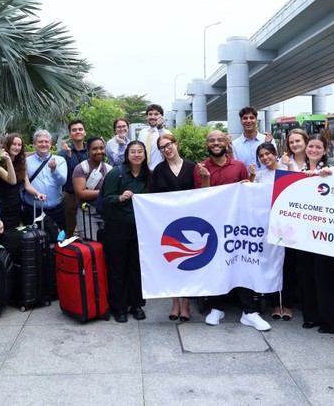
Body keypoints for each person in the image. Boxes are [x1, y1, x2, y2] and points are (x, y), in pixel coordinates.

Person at [194, 129, 271, 331]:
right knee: (218, 264)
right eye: (211, 140)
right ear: (207, 144)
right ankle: (217, 307)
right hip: (214, 225)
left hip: (237, 226)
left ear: (226, 143)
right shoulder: (201, 168)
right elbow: (201, 198)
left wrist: (250, 180)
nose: (216, 143)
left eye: (220, 140)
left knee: (241, 262)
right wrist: (206, 178)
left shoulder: (238, 165)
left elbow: (248, 193)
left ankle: (249, 312)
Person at [100, 140, 151, 323]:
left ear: (145, 155)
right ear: (127, 155)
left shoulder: (148, 176)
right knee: (117, 267)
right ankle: (119, 307)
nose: (137, 155)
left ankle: (137, 304)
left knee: (136, 267)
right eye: (133, 152)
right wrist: (120, 198)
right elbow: (106, 199)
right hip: (117, 226)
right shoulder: (117, 173)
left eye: (140, 151)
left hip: (140, 228)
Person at [296, 134, 334, 334]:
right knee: (306, 275)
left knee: (326, 277)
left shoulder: (331, 171)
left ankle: (329, 320)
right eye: (311, 146)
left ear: (325, 151)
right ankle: (311, 316)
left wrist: (323, 173)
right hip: (303, 233)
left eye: (318, 147)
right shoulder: (299, 171)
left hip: (325, 234)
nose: (313, 150)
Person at [151, 132, 197, 322]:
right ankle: (175, 303)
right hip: (168, 224)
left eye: (168, 145)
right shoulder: (159, 170)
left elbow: (200, 192)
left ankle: (186, 305)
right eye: (162, 148)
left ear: (176, 144)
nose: (166, 149)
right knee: (172, 262)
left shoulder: (193, 167)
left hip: (191, 222)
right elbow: (154, 198)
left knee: (189, 263)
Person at [254, 142, 295, 321]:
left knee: (288, 267)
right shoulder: (259, 175)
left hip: (287, 227)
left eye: (268, 154)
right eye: (261, 156)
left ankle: (287, 305)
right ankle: (275, 305)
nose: (265, 158)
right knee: (270, 265)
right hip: (267, 226)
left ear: (274, 153)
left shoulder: (287, 172)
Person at [0, 133, 44, 234]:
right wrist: (8, 160)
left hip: (16, 207)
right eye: (14, 144)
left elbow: (27, 185)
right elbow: (12, 180)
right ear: (8, 145)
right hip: (3, 207)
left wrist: (37, 193)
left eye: (19, 145)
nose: (16, 147)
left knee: (14, 235)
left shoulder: (21, 163)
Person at [22, 130, 67, 231]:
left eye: (46, 142)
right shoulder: (26, 162)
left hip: (56, 211)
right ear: (34, 144)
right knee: (34, 242)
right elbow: (25, 184)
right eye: (40, 142)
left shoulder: (60, 160)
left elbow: (62, 182)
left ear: (51, 144)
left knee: (58, 241)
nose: (44, 144)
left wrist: (54, 170)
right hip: (33, 211)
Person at [72, 137, 110, 241]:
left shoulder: (108, 168)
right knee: (91, 245)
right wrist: (103, 192)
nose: (99, 151)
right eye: (95, 149)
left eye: (102, 148)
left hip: (105, 213)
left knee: (108, 246)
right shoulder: (81, 168)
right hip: (87, 213)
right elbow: (81, 193)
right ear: (88, 150)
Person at [60, 119, 89, 237]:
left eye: (80, 129)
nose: (77, 132)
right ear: (70, 134)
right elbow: (67, 171)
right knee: (68, 227)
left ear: (85, 132)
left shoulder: (91, 150)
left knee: (88, 227)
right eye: (74, 130)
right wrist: (68, 155)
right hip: (70, 194)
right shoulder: (63, 153)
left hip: (89, 194)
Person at [229, 106, 275, 179]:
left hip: (267, 182)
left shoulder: (267, 139)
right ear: (241, 121)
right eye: (245, 118)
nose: (248, 121)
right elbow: (235, 168)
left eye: (251, 118)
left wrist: (267, 145)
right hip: (246, 184)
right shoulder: (234, 145)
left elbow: (275, 162)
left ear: (256, 120)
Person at [137, 104, 167, 170]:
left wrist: (160, 128)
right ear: (147, 116)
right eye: (150, 114)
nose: (152, 117)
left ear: (161, 116)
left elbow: (167, 150)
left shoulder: (166, 133)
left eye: (156, 114)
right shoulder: (142, 133)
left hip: (160, 171)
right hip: (143, 171)